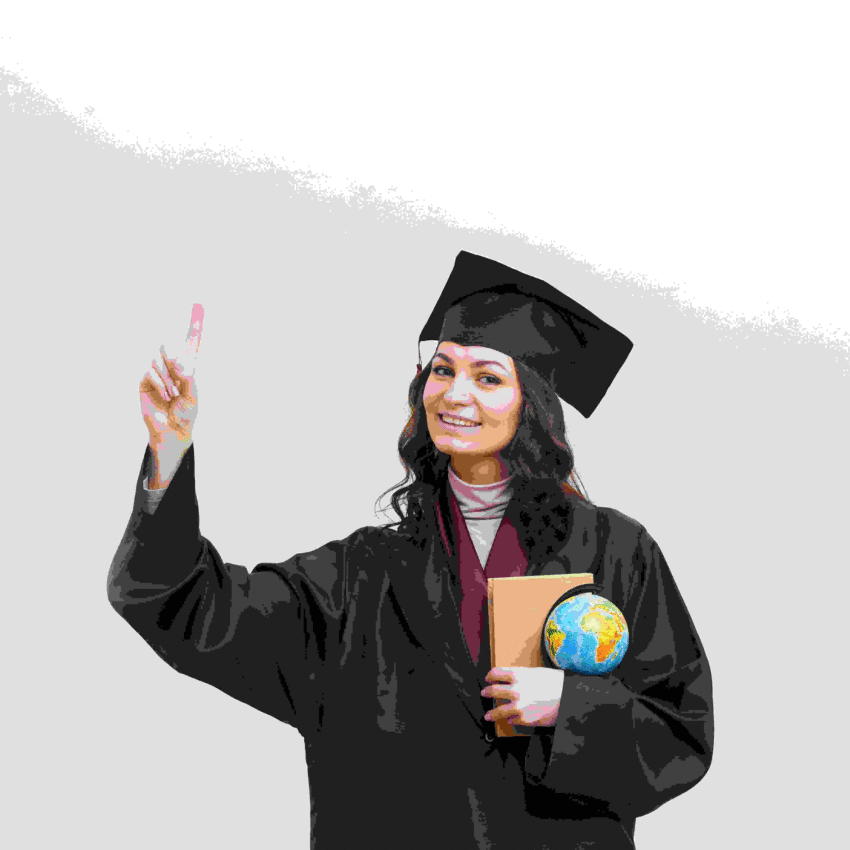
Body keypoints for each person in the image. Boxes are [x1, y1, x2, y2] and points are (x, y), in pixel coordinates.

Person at [108, 251, 713, 849]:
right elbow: (187, 604)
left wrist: (571, 707)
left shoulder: (614, 551)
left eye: (489, 378)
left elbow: (681, 735)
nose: (454, 394)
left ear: (533, 404)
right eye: (443, 370)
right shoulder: (359, 577)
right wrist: (169, 452)